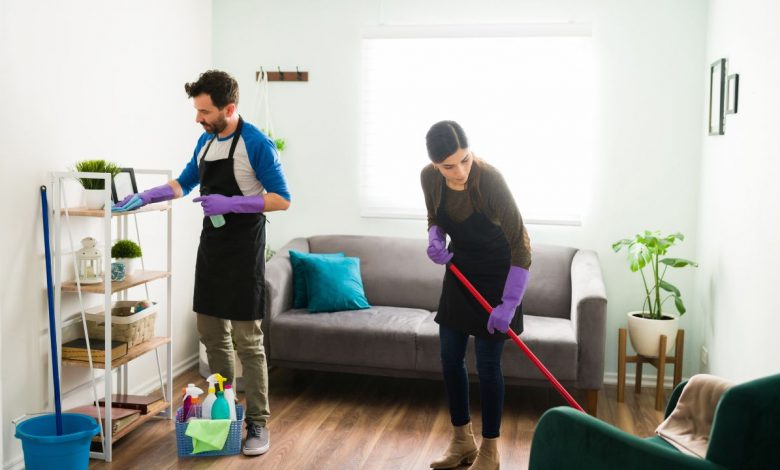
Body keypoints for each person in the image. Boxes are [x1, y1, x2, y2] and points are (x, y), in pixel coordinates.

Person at [113, 70, 290, 456]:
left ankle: (258, 422)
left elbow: (282, 198)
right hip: (212, 246)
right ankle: (222, 413)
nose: (198, 118)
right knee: (212, 336)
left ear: (229, 108)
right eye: (197, 110)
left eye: (205, 111)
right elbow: (184, 182)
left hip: (244, 250)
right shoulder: (206, 141)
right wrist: (148, 196)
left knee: (248, 341)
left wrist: (233, 203)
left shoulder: (256, 144)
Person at [421, 120, 531, 470]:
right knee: (450, 358)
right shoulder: (429, 178)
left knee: (487, 365)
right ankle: (461, 441)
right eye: (449, 166)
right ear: (435, 165)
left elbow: (522, 244)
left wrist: (509, 303)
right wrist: (434, 236)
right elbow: (433, 215)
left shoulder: (489, 180)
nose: (460, 171)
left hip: (499, 276)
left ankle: (491, 448)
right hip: (460, 272)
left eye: (465, 160)